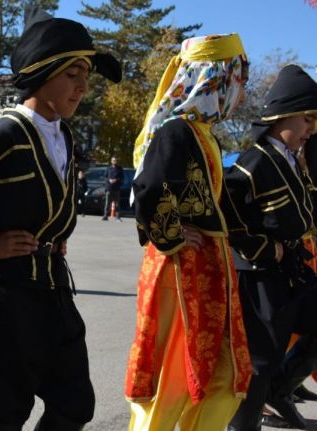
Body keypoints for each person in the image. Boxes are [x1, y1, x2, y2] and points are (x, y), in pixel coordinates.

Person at [0, 7, 121, 430]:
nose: (83, 86)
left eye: (87, 75)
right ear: (44, 71)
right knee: (2, 413)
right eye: (74, 73)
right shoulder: (2, 133)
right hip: (3, 297)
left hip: (54, 290)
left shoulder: (65, 135)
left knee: (75, 403)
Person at [126, 33, 252, 431]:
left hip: (202, 270)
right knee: (170, 378)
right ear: (216, 78)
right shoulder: (177, 131)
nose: (241, 92)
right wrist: (172, 235)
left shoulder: (202, 133)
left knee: (217, 371)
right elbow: (148, 187)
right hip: (179, 273)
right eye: (238, 80)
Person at [224, 64, 317, 431]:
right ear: (282, 117)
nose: (311, 128)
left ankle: (280, 390)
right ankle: (241, 426)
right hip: (261, 274)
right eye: (307, 119)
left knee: (275, 355)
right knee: (262, 358)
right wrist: (260, 247)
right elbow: (227, 212)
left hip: (292, 269)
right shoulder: (254, 161)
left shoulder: (295, 160)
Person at [101, 156, 123, 221]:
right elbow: (105, 177)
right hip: (109, 188)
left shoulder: (120, 169)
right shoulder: (108, 168)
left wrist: (116, 180)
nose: (114, 161)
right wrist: (109, 180)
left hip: (116, 188)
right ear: (111, 161)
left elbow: (122, 178)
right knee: (107, 203)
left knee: (117, 203)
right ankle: (105, 216)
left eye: (115, 160)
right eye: (113, 160)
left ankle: (118, 217)